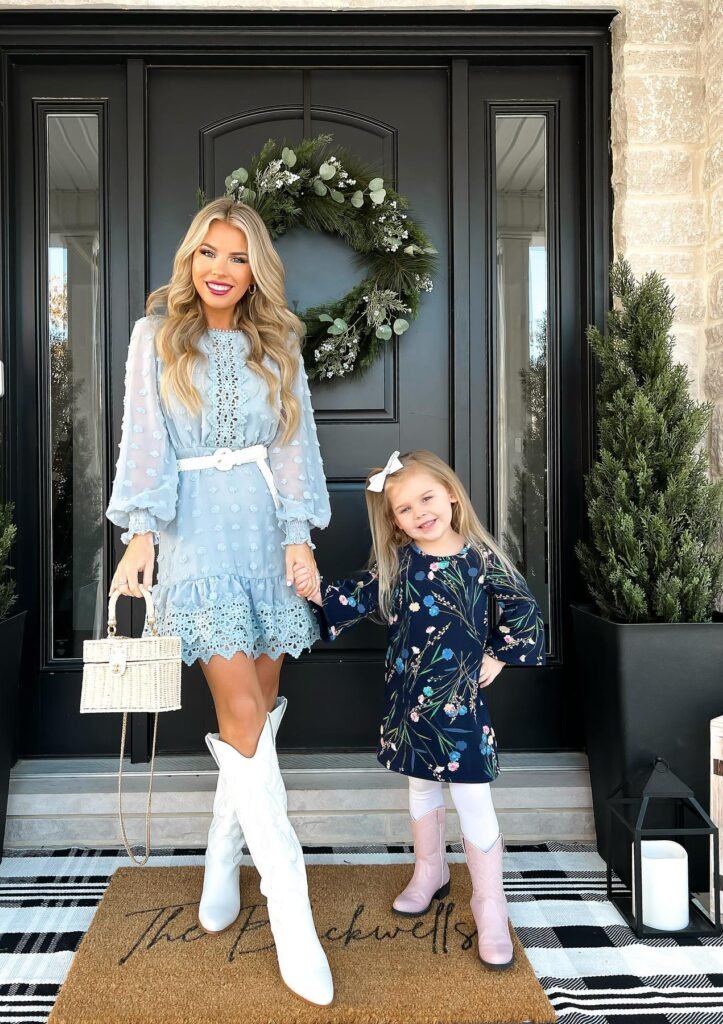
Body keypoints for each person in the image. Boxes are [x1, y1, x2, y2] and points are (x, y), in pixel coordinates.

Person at [105, 197, 333, 1006]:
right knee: (240, 713)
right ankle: (293, 914)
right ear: (190, 257)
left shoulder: (280, 343)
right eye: (209, 252)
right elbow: (143, 440)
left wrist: (299, 538)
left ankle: (218, 860)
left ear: (254, 268)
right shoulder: (154, 337)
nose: (220, 269)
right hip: (196, 537)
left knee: (261, 710)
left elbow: (294, 446)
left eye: (237, 257)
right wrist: (141, 533)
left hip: (266, 538)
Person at [292, 449, 545, 970]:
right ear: (395, 521)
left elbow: (523, 610)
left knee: (473, 796)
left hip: (461, 702)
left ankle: (489, 904)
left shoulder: (481, 558)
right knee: (420, 784)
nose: (419, 513)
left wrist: (499, 652)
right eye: (404, 509)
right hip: (410, 700)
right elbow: (356, 596)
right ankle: (429, 869)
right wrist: (316, 589)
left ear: (451, 494)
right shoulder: (402, 563)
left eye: (427, 498)